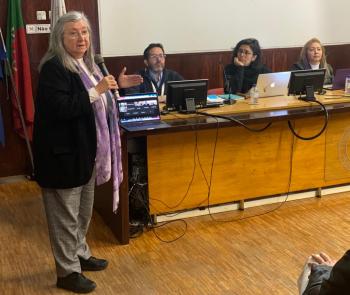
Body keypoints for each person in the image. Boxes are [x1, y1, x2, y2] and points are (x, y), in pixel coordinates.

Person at [33, 11, 142, 293]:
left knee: (82, 213)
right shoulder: (54, 67)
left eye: (85, 32)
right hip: (62, 157)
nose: (81, 37)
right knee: (64, 218)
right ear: (60, 37)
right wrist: (98, 90)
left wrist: (117, 89)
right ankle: (66, 272)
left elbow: (100, 104)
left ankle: (79, 254)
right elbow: (61, 108)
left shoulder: (89, 64)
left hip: (87, 153)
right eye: (73, 32)